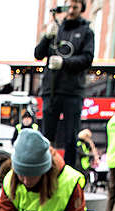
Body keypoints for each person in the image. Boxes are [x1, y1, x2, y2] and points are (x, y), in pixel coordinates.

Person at [33, 0, 94, 163]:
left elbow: (87, 59)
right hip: (51, 90)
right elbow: (38, 54)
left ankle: (69, 174)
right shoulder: (56, 28)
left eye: (76, 7)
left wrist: (64, 63)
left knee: (70, 138)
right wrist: (46, 37)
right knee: (46, 137)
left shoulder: (86, 31)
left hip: (73, 92)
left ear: (82, 8)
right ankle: (45, 170)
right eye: (69, 6)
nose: (72, 10)